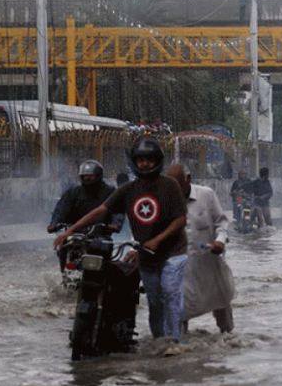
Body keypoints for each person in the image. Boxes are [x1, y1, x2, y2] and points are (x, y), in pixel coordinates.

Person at [53, 138, 188, 342]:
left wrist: (158, 240)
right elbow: (101, 211)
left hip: (173, 252)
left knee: (170, 293)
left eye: (149, 159)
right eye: (140, 160)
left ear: (157, 161)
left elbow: (180, 219)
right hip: (146, 255)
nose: (144, 164)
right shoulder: (128, 189)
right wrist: (68, 231)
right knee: (154, 300)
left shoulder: (169, 185)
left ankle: (175, 341)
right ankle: (160, 341)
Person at [167, 165, 235, 334]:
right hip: (180, 266)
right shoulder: (164, 200)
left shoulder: (206, 195)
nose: (173, 190)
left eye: (177, 184)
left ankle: (228, 340)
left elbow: (222, 222)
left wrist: (220, 241)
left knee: (221, 303)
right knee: (179, 308)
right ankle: (180, 346)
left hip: (209, 262)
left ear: (188, 179)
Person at [48, 160, 123, 270]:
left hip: (100, 233)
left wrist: (115, 224)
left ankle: (103, 276)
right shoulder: (73, 192)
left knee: (103, 248)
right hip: (75, 232)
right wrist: (54, 223)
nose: (87, 179)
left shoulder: (110, 192)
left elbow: (118, 210)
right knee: (64, 246)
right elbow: (61, 209)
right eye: (84, 176)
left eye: (91, 176)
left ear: (98, 176)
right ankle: (65, 273)